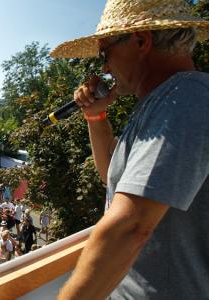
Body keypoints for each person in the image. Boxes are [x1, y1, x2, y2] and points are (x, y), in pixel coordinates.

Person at [50, 0, 209, 299]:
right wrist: (96, 117)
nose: (105, 68)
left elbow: (131, 226)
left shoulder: (186, 99)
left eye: (105, 53)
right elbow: (113, 177)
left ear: (140, 41)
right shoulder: (164, 103)